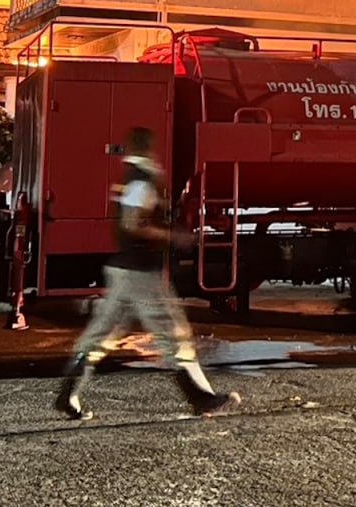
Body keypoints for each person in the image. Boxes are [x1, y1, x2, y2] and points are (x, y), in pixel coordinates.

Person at [55, 127, 241, 420]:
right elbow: (132, 224)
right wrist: (172, 237)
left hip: (123, 269)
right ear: (148, 148)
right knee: (173, 333)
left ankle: (69, 394)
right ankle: (200, 397)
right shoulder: (143, 180)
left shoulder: (130, 178)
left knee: (101, 336)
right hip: (141, 272)